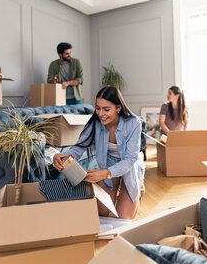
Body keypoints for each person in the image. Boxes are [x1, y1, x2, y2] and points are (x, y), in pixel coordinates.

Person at [53, 86, 145, 219]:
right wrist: (62, 157)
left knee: (124, 218)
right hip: (108, 163)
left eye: (106, 109)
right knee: (101, 213)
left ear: (118, 108)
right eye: (98, 108)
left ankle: (136, 187)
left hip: (129, 168)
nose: (101, 113)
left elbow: (130, 159)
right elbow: (78, 148)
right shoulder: (95, 123)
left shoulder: (133, 123)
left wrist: (105, 173)